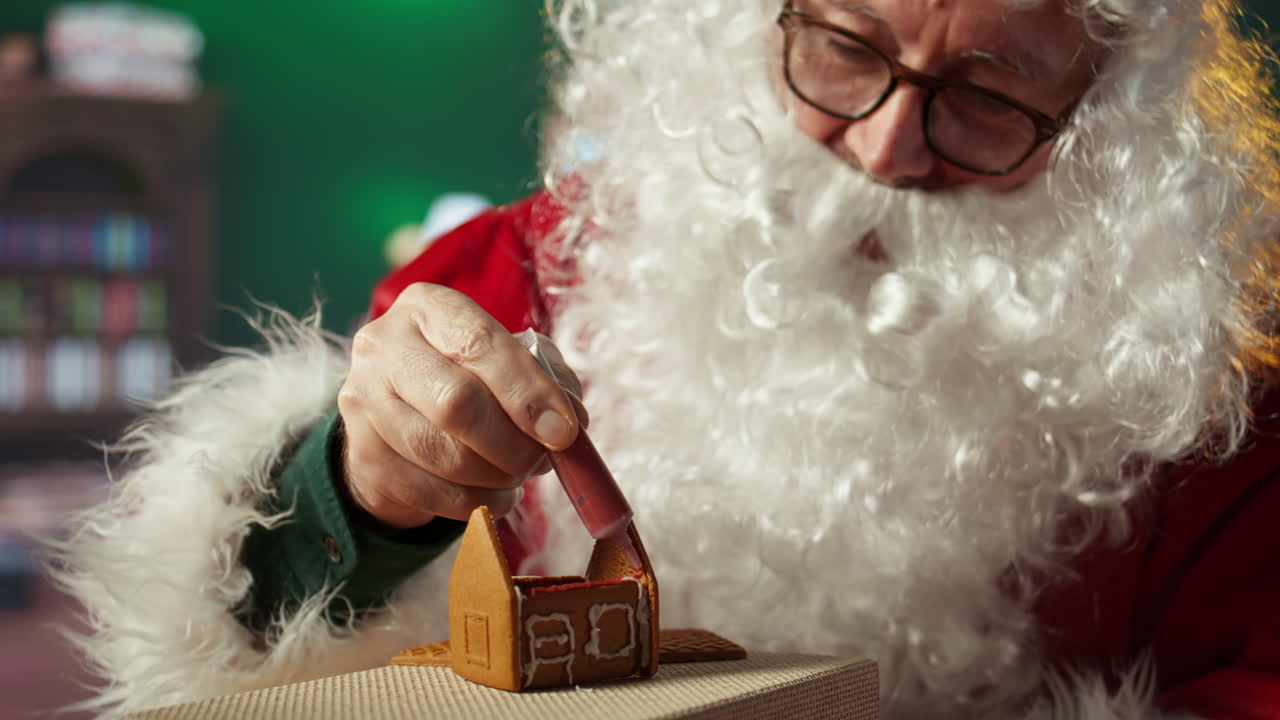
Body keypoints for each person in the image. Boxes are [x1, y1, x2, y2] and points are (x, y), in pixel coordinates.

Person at [49, 0, 1280, 717]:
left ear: (1103, 128)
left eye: (989, 96)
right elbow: (242, 642)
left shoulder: (1214, 424)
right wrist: (363, 490)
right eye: (845, 44)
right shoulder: (504, 273)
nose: (887, 143)